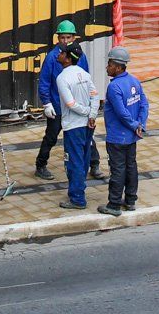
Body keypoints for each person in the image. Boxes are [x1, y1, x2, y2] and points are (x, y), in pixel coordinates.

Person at [100, 46, 148, 217]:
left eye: (110, 64)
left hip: (118, 137)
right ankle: (130, 200)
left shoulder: (114, 87)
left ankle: (113, 204)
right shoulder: (134, 81)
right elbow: (144, 104)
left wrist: (135, 124)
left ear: (119, 67)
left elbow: (122, 113)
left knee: (118, 169)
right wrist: (140, 124)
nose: (107, 67)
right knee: (131, 167)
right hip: (132, 136)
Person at [34, 19, 82, 180]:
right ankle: (40, 165)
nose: (65, 41)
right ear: (57, 39)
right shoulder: (52, 58)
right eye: (62, 38)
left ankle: (94, 164)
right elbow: (44, 82)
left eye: (68, 37)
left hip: (75, 107)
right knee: (51, 136)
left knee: (85, 136)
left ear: (74, 38)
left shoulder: (80, 56)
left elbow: (85, 79)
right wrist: (47, 103)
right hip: (58, 107)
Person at [54, 42, 100, 209]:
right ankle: (79, 189)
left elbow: (71, 104)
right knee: (84, 159)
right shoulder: (84, 74)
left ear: (66, 58)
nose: (58, 54)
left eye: (61, 52)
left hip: (74, 126)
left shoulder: (62, 78)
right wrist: (92, 115)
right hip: (88, 125)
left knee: (74, 161)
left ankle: (77, 198)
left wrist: (87, 112)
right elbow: (95, 96)